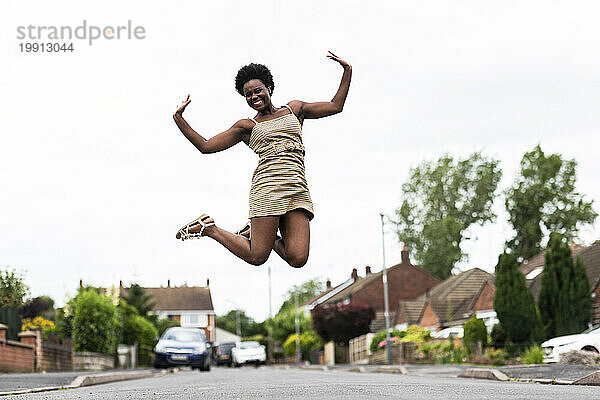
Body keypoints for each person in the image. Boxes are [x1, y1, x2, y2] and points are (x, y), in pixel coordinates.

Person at [173, 51, 352, 268]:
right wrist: (179, 119)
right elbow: (206, 146)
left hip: (297, 188)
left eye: (258, 90)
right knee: (257, 256)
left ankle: (251, 231)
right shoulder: (246, 126)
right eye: (248, 95)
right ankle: (209, 228)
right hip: (268, 189)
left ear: (269, 88)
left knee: (298, 258)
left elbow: (336, 106)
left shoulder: (295, 109)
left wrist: (347, 71)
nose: (254, 97)